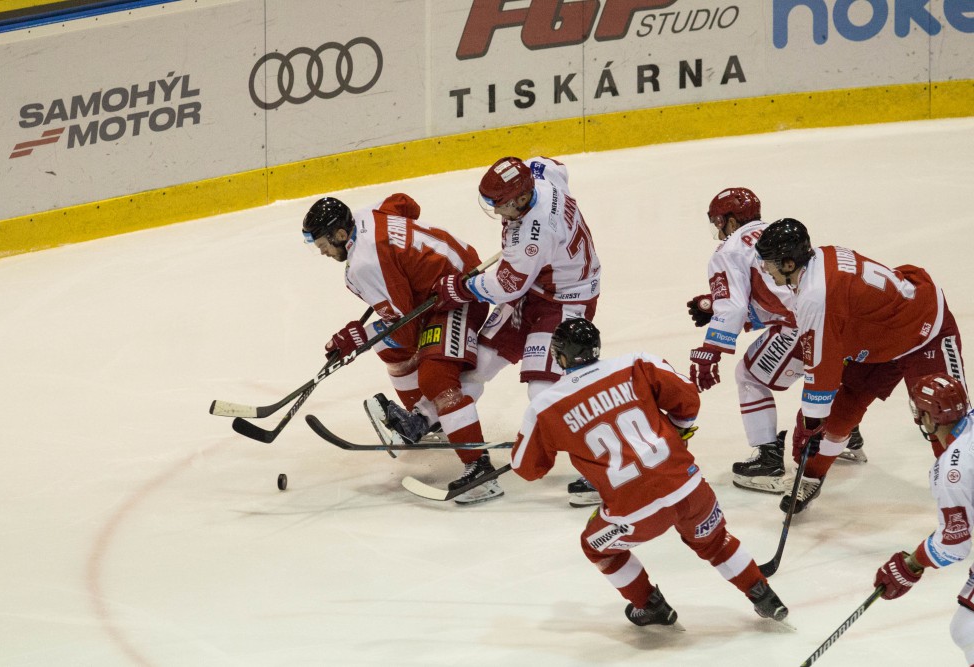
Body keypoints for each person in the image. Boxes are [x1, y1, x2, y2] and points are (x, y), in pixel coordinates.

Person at [508, 318, 788, 626]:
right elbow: (687, 398)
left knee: (596, 547)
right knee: (714, 541)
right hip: (689, 488)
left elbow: (527, 468)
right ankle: (765, 597)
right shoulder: (635, 363)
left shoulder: (545, 406)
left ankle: (650, 605)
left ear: (560, 356)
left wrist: (552, 440)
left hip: (634, 511)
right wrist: (677, 429)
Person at [392, 156, 603, 506]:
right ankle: (426, 418)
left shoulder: (533, 235)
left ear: (522, 198)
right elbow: (553, 165)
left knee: (543, 390)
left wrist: (458, 288)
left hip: (564, 300)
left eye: (499, 203)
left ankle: (602, 466)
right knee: (477, 364)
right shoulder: (540, 175)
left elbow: (506, 286)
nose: (495, 210)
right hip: (535, 290)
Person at [756, 218, 967, 513]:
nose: (765, 269)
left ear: (789, 263)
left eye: (769, 263)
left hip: (924, 328)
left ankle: (965, 488)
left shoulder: (816, 296)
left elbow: (822, 372)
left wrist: (810, 423)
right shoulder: (818, 259)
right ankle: (812, 477)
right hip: (881, 338)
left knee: (944, 416)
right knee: (840, 414)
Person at [302, 194, 499, 505]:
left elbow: (406, 333)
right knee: (389, 348)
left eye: (324, 245)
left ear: (340, 234)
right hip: (440, 283)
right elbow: (405, 203)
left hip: (458, 293)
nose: (323, 252)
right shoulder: (367, 213)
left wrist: (359, 337)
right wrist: (407, 260)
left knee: (436, 377)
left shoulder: (366, 264)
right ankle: (422, 421)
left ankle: (480, 468)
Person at [686, 187, 865, 495]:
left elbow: (734, 307)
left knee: (749, 376)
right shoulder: (776, 235)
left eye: (719, 222)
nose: (719, 230)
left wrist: (711, 350)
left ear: (731, 221)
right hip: (839, 319)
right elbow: (777, 298)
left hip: (805, 325)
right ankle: (842, 432)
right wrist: (715, 303)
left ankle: (768, 459)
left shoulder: (728, 251)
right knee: (823, 372)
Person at [873, 373, 974, 664]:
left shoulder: (952, 470)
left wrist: (911, 564)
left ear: (929, 418)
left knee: (967, 630)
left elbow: (954, 545)